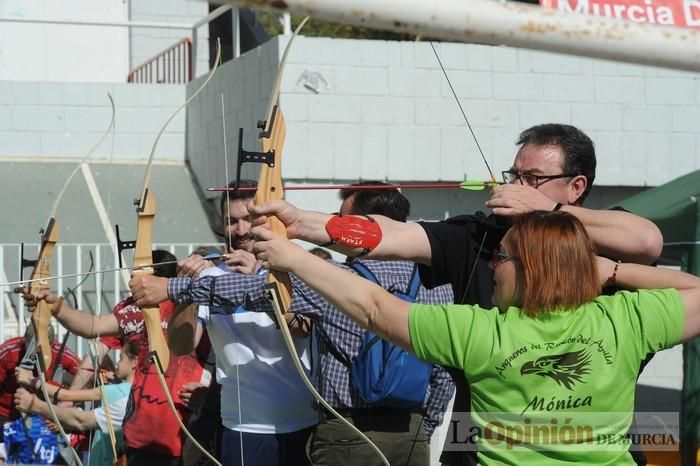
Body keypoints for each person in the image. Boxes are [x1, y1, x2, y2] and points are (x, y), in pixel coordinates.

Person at [248, 123, 663, 465]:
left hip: (598, 442)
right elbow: (390, 235)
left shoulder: (607, 235)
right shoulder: (481, 235)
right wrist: (301, 223)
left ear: (576, 186)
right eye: (514, 175)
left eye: (533, 179)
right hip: (481, 443)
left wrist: (547, 211)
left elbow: (647, 240)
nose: (516, 186)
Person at [251, 210, 699, 465]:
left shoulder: (479, 329)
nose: (490, 265)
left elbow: (375, 308)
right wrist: (613, 270)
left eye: (500, 256)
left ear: (531, 267)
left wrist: (292, 259)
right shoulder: (626, 318)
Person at [129, 182, 456, 466]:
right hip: (406, 434)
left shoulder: (336, 278)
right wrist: (425, 429)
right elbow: (447, 367)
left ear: (362, 227)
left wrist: (172, 287)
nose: (242, 230)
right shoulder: (438, 286)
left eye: (341, 222)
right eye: (233, 221)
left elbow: (268, 296)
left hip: (339, 430)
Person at [23, 249, 211, 466]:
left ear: (159, 279)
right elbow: (94, 326)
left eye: (139, 275)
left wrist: (208, 396)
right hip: (141, 438)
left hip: (186, 437)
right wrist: (55, 305)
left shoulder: (201, 306)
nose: (132, 284)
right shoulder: (138, 308)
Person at [13, 340, 140, 466]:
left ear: (135, 362)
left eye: (121, 358)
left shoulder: (116, 390)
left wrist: (31, 381)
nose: (117, 363)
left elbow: (66, 395)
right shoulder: (136, 393)